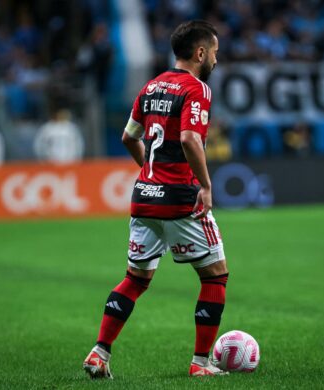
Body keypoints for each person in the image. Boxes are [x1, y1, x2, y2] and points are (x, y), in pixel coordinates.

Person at [83, 20, 229, 379]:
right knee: (215, 278)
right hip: (181, 199)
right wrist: (206, 187)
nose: (215, 59)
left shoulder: (151, 86)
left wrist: (149, 170)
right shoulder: (197, 89)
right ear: (199, 53)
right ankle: (200, 363)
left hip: (145, 197)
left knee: (135, 279)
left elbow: (128, 137)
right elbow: (191, 140)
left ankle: (99, 353)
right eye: (214, 52)